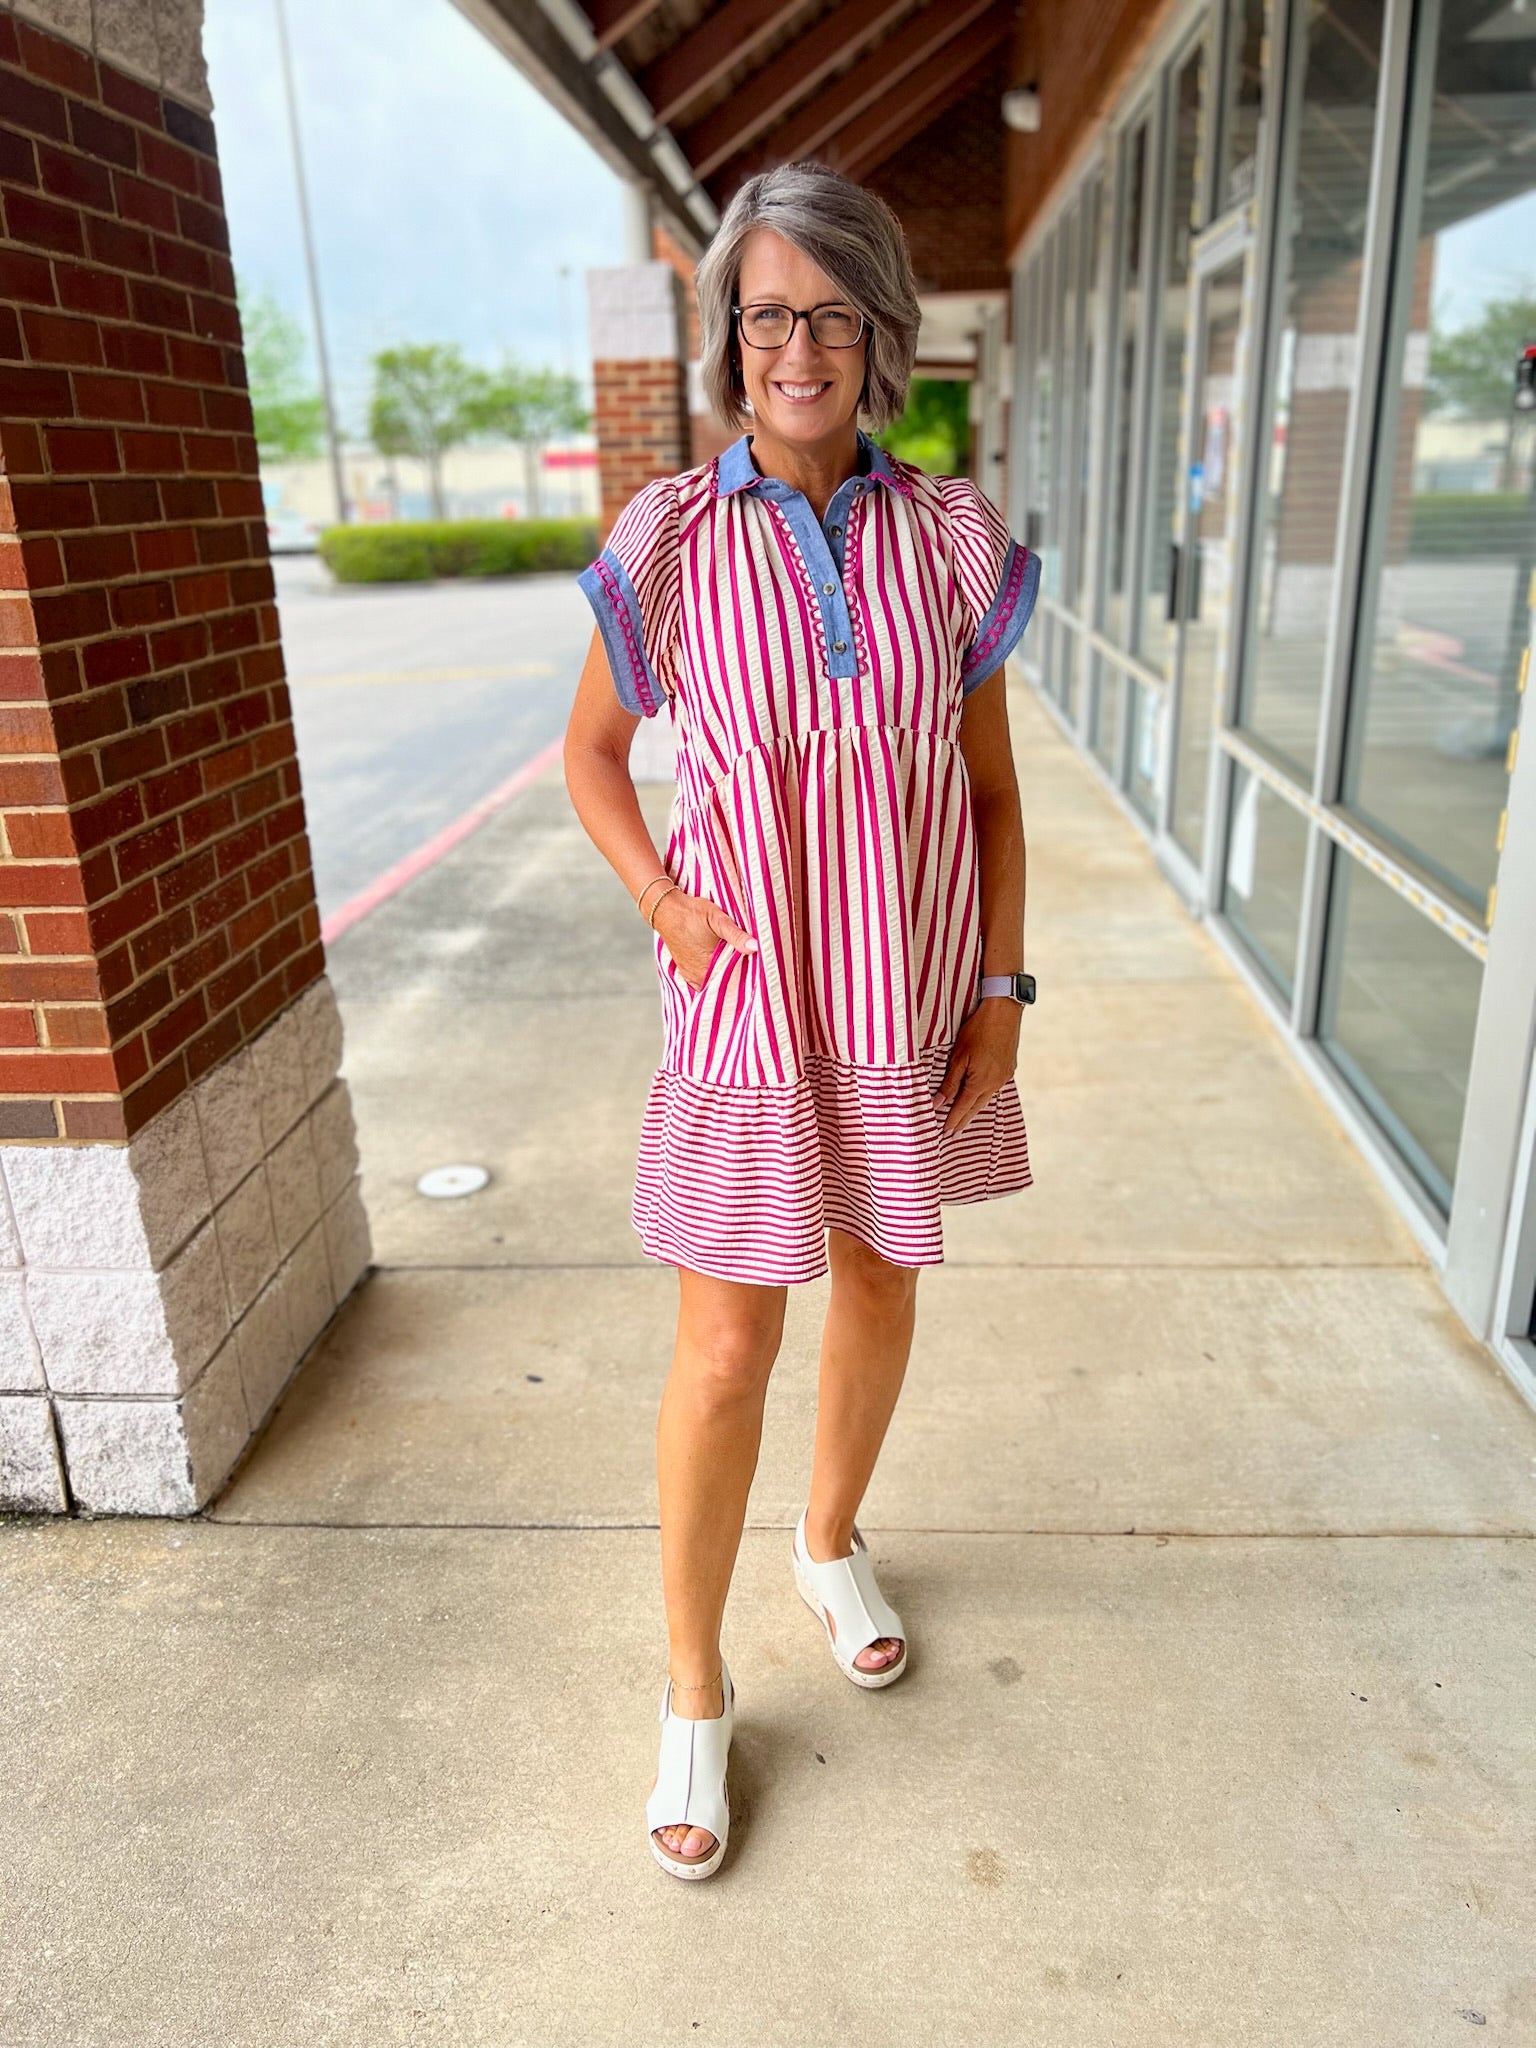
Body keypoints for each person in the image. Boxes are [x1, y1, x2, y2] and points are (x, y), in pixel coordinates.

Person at [562, 159, 1040, 1882]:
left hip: (909, 995)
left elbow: (988, 797)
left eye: (835, 313)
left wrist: (1000, 988)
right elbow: (594, 758)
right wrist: (666, 904)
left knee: (881, 1280)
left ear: (881, 335)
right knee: (722, 1350)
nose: (802, 345)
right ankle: (695, 1693)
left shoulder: (951, 541)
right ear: (731, 336)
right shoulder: (670, 539)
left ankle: (827, 1542)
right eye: (771, 313)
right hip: (749, 1007)